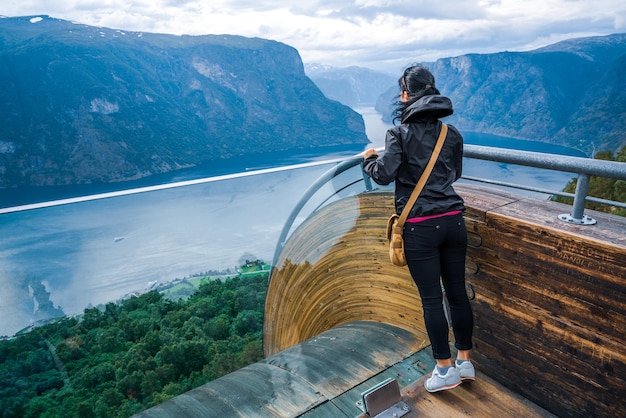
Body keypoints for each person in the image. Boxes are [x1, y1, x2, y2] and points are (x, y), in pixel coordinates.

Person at [362, 64, 475, 393]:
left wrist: (368, 159)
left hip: (421, 228)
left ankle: (444, 369)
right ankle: (465, 362)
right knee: (457, 294)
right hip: (454, 221)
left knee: (431, 300)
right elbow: (455, 174)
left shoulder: (397, 134)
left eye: (402, 90)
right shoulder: (450, 134)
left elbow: (383, 174)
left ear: (407, 95)